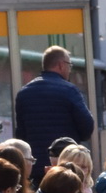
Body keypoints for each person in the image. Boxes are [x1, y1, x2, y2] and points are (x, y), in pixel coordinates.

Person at [13, 46, 94, 182]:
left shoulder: (24, 93)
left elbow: (21, 134)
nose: (70, 70)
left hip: (36, 168)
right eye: (69, 65)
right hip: (65, 167)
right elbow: (87, 127)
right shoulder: (69, 90)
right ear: (61, 65)